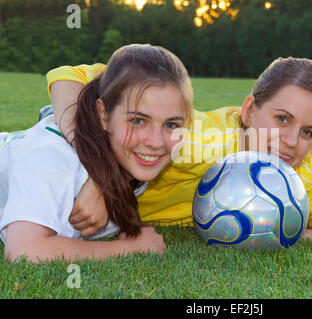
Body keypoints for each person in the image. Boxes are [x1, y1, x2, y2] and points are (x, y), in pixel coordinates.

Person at [46, 56, 312, 243]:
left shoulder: (301, 181)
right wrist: (98, 172)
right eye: (282, 118)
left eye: (308, 132)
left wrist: (292, 232)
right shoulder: (194, 136)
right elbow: (71, 76)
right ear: (249, 110)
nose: (290, 141)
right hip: (56, 147)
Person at [0, 43, 193, 262]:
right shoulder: (54, 158)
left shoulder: (129, 162)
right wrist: (132, 248)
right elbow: (24, 250)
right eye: (138, 120)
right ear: (103, 115)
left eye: (171, 124)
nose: (156, 142)